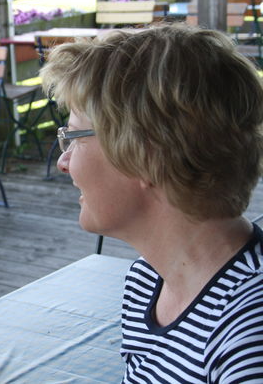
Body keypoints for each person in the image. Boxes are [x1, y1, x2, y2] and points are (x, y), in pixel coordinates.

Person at [41, 24, 263, 382]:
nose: (63, 162)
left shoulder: (249, 330)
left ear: (146, 155)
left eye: (76, 137)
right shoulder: (147, 281)